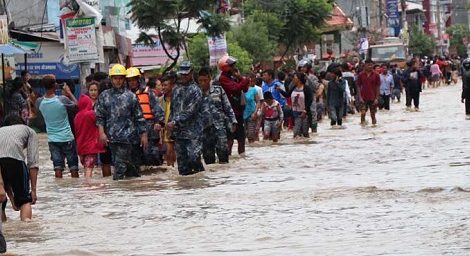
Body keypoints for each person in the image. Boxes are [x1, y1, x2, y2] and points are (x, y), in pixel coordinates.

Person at [95, 64, 148, 180]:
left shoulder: (131, 97)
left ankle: (117, 191)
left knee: (119, 167)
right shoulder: (104, 96)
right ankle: (130, 190)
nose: (118, 81)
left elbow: (139, 117)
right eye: (115, 78)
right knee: (128, 168)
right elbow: (100, 117)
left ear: (124, 79)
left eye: (120, 78)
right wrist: (101, 133)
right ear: (111, 79)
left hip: (129, 138)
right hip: (112, 138)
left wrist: (144, 135)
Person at [36, 75, 79, 178]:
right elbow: (77, 105)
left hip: (52, 140)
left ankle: (59, 190)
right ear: (55, 85)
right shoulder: (62, 99)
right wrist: (69, 93)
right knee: (73, 167)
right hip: (67, 137)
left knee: (58, 167)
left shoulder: (39, 102)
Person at [168, 61, 205, 175]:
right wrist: (170, 124)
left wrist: (175, 121)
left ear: (191, 73)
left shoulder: (196, 90)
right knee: (182, 166)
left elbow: (190, 111)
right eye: (182, 74)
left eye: (186, 74)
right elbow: (173, 109)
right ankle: (186, 189)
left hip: (193, 132)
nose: (184, 76)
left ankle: (200, 179)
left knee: (194, 158)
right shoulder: (176, 90)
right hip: (179, 133)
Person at [0, 114, 39, 223]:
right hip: (15, 161)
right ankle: (26, 230)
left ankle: (4, 228)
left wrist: (12, 199)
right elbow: (33, 163)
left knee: (0, 201)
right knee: (24, 201)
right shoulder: (29, 131)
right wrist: (33, 191)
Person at [126, 67, 164, 167]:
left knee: (151, 157)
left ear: (138, 79)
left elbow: (158, 109)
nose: (132, 82)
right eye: (129, 80)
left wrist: (158, 122)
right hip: (132, 133)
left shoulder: (149, 93)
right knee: (134, 160)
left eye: (134, 79)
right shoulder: (125, 95)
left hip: (149, 131)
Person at [198, 67, 237, 163]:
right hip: (204, 129)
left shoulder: (218, 90)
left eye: (205, 80)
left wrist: (233, 121)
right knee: (208, 156)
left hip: (219, 127)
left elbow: (227, 106)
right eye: (200, 81)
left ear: (209, 78)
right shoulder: (196, 93)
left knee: (223, 152)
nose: (203, 83)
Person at [218, 55, 249, 155]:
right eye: (231, 65)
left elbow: (245, 89)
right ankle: (228, 159)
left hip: (239, 112)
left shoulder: (234, 77)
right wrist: (244, 80)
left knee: (241, 138)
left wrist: (240, 78)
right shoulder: (223, 79)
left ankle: (242, 158)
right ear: (226, 67)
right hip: (229, 114)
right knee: (230, 139)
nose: (234, 67)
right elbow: (235, 89)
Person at [74, 95, 105, 178]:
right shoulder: (91, 114)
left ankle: (85, 186)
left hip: (81, 147)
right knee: (89, 168)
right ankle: (88, 186)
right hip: (91, 147)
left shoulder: (77, 116)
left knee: (86, 167)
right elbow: (100, 123)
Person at [159, 72, 177, 167]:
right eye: (162, 85)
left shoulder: (178, 98)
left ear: (172, 85)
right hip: (166, 132)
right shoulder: (160, 100)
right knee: (168, 155)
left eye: (165, 85)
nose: (163, 87)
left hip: (178, 130)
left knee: (176, 155)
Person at [356, 59, 380, 126]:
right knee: (363, 113)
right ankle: (363, 125)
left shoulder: (376, 75)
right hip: (363, 97)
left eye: (371, 65)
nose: (370, 66)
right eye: (368, 65)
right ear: (365, 65)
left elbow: (378, 87)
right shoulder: (361, 75)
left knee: (373, 114)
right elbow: (358, 86)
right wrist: (360, 97)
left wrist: (377, 98)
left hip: (373, 97)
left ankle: (374, 126)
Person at [244, 74, 260, 143]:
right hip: (241, 115)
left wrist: (255, 112)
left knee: (251, 135)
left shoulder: (253, 90)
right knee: (242, 136)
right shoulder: (240, 90)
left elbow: (258, 102)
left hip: (251, 114)